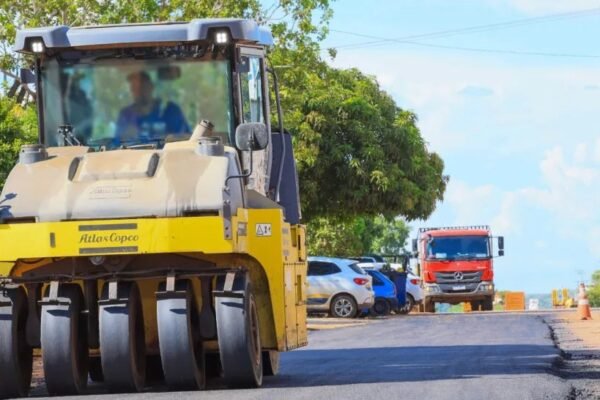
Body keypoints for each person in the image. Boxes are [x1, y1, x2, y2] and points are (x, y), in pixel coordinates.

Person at [115, 71, 190, 144]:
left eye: (142, 87)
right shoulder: (126, 116)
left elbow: (187, 140)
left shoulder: (171, 111)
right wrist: (127, 136)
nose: (138, 92)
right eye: (134, 88)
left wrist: (171, 138)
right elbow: (116, 144)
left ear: (151, 87)